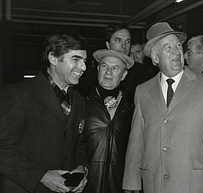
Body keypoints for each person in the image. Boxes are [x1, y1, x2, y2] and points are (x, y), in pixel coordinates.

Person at [122, 22, 203, 193]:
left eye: (178, 46)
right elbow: (136, 141)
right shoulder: (142, 91)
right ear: (155, 57)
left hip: (192, 183)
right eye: (168, 47)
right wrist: (131, 182)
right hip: (154, 182)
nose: (176, 51)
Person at [0, 30, 89, 193]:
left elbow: (79, 144)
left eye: (84, 60)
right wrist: (42, 176)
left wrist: (81, 169)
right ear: (53, 58)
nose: (83, 67)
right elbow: (3, 148)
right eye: (75, 59)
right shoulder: (19, 94)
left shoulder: (79, 100)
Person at [80, 49, 135, 193]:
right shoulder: (80, 98)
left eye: (115, 68)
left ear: (123, 75)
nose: (108, 72)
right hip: (84, 183)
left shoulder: (133, 103)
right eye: (104, 66)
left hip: (119, 184)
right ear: (97, 68)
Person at [105, 23, 156, 94]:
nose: (124, 46)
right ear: (108, 45)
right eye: (118, 40)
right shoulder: (96, 73)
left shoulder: (145, 73)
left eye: (127, 41)